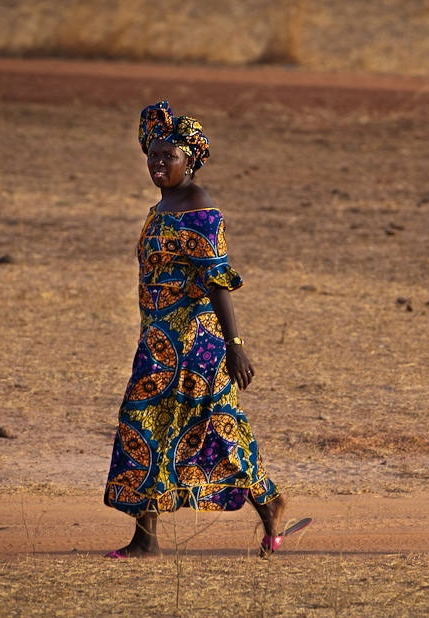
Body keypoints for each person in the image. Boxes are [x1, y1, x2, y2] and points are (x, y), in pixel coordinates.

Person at [104, 101, 308, 558]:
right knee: (151, 426)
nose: (158, 163)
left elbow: (218, 281)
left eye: (168, 157)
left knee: (208, 427)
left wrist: (235, 345)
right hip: (159, 342)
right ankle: (151, 537)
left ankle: (267, 502)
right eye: (153, 155)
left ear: (191, 160)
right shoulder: (165, 204)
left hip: (196, 344)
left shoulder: (199, 208)